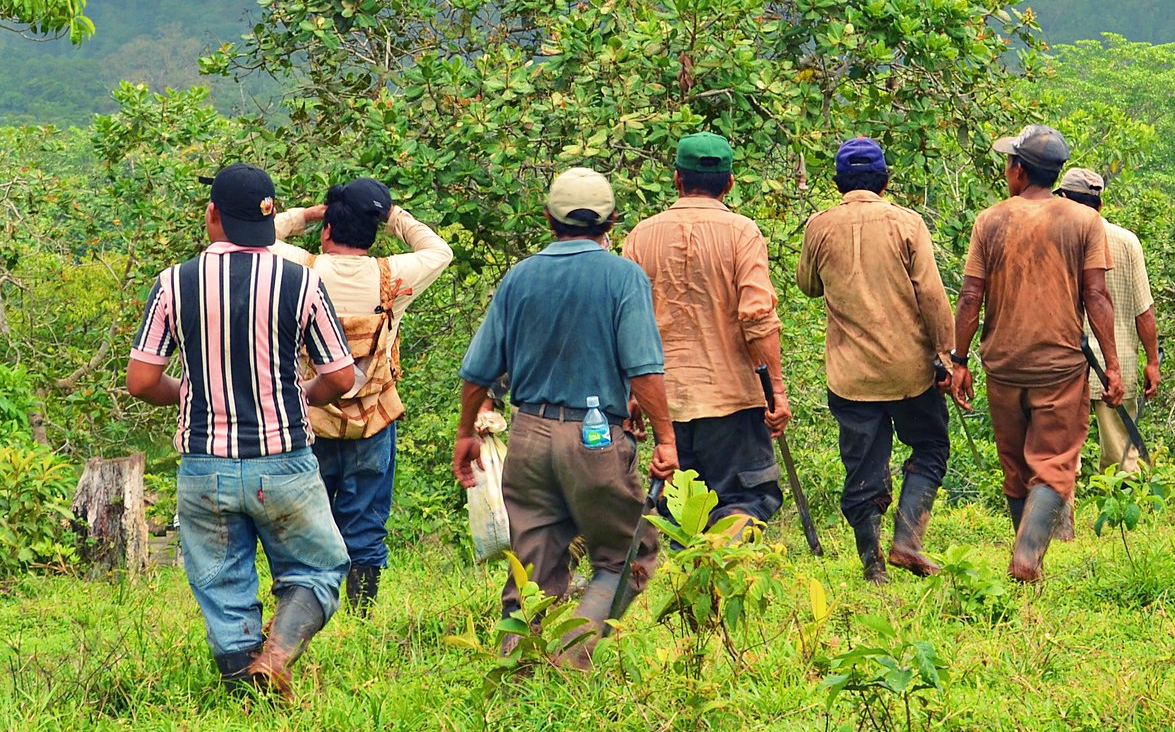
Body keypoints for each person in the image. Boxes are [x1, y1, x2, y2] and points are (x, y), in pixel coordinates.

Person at [125, 162, 357, 697]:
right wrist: (299, 396)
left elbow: (141, 380)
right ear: (268, 217)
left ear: (212, 215)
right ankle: (276, 656)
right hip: (285, 461)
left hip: (204, 466)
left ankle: (246, 698)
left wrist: (186, 392)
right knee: (318, 569)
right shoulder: (301, 281)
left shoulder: (173, 283)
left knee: (222, 587)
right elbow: (341, 376)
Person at [453, 167, 676, 667]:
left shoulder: (521, 276)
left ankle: (516, 671)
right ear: (612, 221)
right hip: (595, 437)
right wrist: (666, 439)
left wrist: (466, 434)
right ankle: (573, 656)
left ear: (549, 220)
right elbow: (644, 367)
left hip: (528, 436)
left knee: (532, 568)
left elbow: (478, 372)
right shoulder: (623, 276)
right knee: (627, 555)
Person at [947, 124, 1123, 583]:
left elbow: (970, 297)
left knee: (1017, 465)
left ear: (1020, 170)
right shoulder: (1084, 222)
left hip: (1003, 365)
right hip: (1060, 366)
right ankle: (1027, 558)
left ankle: (1026, 559)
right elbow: (1097, 297)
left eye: (1009, 162)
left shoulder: (991, 220)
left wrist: (958, 360)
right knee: (1054, 464)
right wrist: (1113, 367)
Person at [271, 179, 454, 613]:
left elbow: (258, 236)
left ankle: (309, 613)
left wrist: (308, 215)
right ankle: (362, 615)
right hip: (372, 420)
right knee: (367, 525)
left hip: (310, 417)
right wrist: (392, 216)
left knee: (307, 526)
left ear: (328, 230)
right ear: (373, 233)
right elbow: (439, 251)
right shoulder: (392, 277)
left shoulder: (301, 269)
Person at [796, 137, 955, 583]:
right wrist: (948, 357)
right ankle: (908, 540)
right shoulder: (907, 223)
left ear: (837, 182)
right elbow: (932, 295)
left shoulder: (819, 226)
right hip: (911, 370)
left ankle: (873, 565)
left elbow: (808, 286)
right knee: (929, 446)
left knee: (862, 467)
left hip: (851, 374)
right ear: (886, 181)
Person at [621, 133, 789, 530]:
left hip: (666, 400)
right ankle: (725, 561)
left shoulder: (641, 236)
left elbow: (626, 324)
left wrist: (631, 393)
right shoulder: (742, 232)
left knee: (680, 512)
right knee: (745, 500)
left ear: (677, 179)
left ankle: (690, 585)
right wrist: (776, 392)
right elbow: (758, 316)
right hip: (732, 399)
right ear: (729, 182)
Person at [1055, 167, 1163, 474]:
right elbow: (1145, 310)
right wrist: (1152, 361)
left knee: (1059, 460)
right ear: (1100, 205)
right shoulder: (1126, 242)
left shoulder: (1054, 242)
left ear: (1062, 199)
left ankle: (1059, 518)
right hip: (1116, 364)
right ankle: (1122, 515)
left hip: (1062, 363)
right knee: (1121, 460)